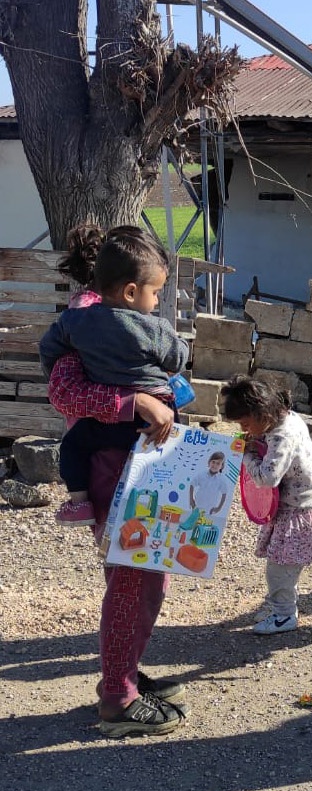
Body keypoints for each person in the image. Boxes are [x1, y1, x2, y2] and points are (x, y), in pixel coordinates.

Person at [46, 230, 188, 737]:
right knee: (132, 578)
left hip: (140, 465)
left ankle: (123, 671)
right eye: (154, 292)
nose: (157, 303)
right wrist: (137, 403)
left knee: (149, 575)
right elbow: (65, 393)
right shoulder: (82, 325)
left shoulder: (83, 321)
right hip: (117, 466)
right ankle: (118, 698)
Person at [39, 227, 188, 527]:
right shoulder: (154, 328)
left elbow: (48, 348)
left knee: (73, 445)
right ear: (131, 292)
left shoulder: (76, 319)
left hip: (108, 420)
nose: (157, 301)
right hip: (156, 415)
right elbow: (179, 357)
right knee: (161, 473)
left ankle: (79, 503)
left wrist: (62, 362)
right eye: (156, 293)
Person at [220, 375, 312, 635]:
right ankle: (283, 606)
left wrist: (247, 455)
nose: (245, 429)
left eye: (245, 423)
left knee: (279, 569)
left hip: (298, 511)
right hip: (301, 505)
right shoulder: (288, 418)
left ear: (261, 413)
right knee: (286, 567)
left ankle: (284, 616)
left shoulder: (281, 436)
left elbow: (267, 478)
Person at [190, 452, 228, 516]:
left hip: (210, 508)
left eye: (218, 463)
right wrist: (191, 500)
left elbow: (224, 493)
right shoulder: (202, 474)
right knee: (193, 521)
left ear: (222, 466)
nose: (215, 465)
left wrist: (219, 508)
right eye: (213, 462)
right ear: (209, 462)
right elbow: (192, 484)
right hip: (197, 505)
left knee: (204, 523)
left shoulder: (222, 480)